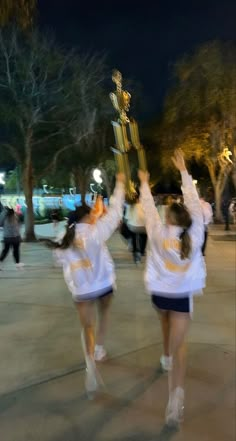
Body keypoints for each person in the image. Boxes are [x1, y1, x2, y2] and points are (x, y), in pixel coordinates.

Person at [138, 149, 206, 427]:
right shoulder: (195, 234)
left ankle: (165, 355)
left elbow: (149, 209)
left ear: (168, 218)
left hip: (159, 293)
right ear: (186, 220)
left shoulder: (157, 232)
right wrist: (183, 172)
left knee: (164, 321)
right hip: (181, 295)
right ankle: (174, 400)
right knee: (182, 350)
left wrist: (143, 183)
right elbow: (193, 204)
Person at [46, 174, 125, 397]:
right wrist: (119, 184)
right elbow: (117, 210)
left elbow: (58, 260)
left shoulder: (64, 236)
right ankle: (100, 349)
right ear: (88, 217)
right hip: (104, 285)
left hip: (82, 290)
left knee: (86, 327)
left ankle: (90, 366)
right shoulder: (96, 231)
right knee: (104, 315)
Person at [125, 192, 147, 264]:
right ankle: (142, 250)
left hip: (132, 227)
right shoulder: (144, 205)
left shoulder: (129, 206)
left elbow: (126, 218)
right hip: (143, 227)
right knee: (144, 235)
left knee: (133, 234)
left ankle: (134, 250)